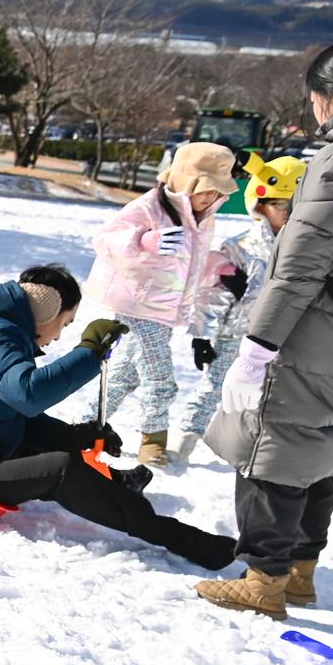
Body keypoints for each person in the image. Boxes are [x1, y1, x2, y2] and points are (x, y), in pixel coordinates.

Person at [0, 264, 237, 570]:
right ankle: (184, 539)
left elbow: (10, 412)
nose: (59, 335)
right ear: (47, 311)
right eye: (65, 323)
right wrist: (89, 353)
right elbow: (27, 395)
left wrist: (80, 436)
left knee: (61, 450)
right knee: (61, 470)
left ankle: (116, 486)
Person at [200, 37, 333, 618]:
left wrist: (256, 346)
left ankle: (264, 581)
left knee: (271, 451)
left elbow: (297, 268)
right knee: (325, 446)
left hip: (307, 331)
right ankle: (301, 573)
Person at [85, 141, 240, 467]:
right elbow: (105, 239)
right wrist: (143, 241)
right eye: (204, 191)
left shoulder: (202, 217)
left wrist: (218, 269)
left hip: (166, 309)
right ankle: (152, 442)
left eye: (217, 193)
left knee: (126, 375)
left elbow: (190, 262)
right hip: (136, 304)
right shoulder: (150, 206)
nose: (210, 199)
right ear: (186, 181)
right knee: (159, 377)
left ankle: (83, 429)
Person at [173, 153, 306, 462]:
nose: (287, 213)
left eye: (294, 206)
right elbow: (211, 295)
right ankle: (185, 439)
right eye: (281, 205)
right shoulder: (240, 247)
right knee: (215, 387)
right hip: (239, 334)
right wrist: (202, 336)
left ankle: (262, 448)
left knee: (276, 396)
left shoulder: (308, 248)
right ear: (260, 205)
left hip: (287, 338)